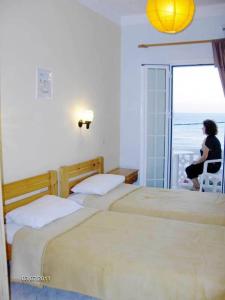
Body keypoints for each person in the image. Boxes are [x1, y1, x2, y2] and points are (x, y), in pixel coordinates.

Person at [185, 119, 222, 191]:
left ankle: (198, 188)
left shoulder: (210, 140)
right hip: (211, 164)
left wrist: (196, 162)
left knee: (189, 169)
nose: (202, 128)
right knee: (192, 169)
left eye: (203, 127)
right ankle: (196, 187)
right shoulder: (211, 138)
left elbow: (205, 156)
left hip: (212, 165)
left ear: (208, 128)